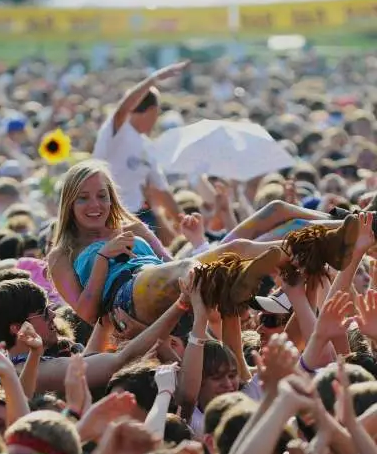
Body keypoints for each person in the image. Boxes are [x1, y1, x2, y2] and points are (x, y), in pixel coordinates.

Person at [49, 161, 359, 329]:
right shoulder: (63, 253)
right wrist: (103, 258)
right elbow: (88, 314)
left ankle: (350, 227)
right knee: (211, 260)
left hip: (165, 281)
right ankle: (291, 260)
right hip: (126, 302)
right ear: (69, 203)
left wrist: (197, 246)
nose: (96, 205)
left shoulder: (130, 226)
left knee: (273, 217)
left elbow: (167, 262)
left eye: (102, 195)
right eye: (84, 197)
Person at [92, 62, 187, 227]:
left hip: (136, 218)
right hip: (106, 216)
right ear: (152, 111)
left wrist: (183, 223)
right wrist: (153, 79)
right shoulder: (117, 130)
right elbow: (123, 108)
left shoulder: (147, 146)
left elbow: (163, 191)